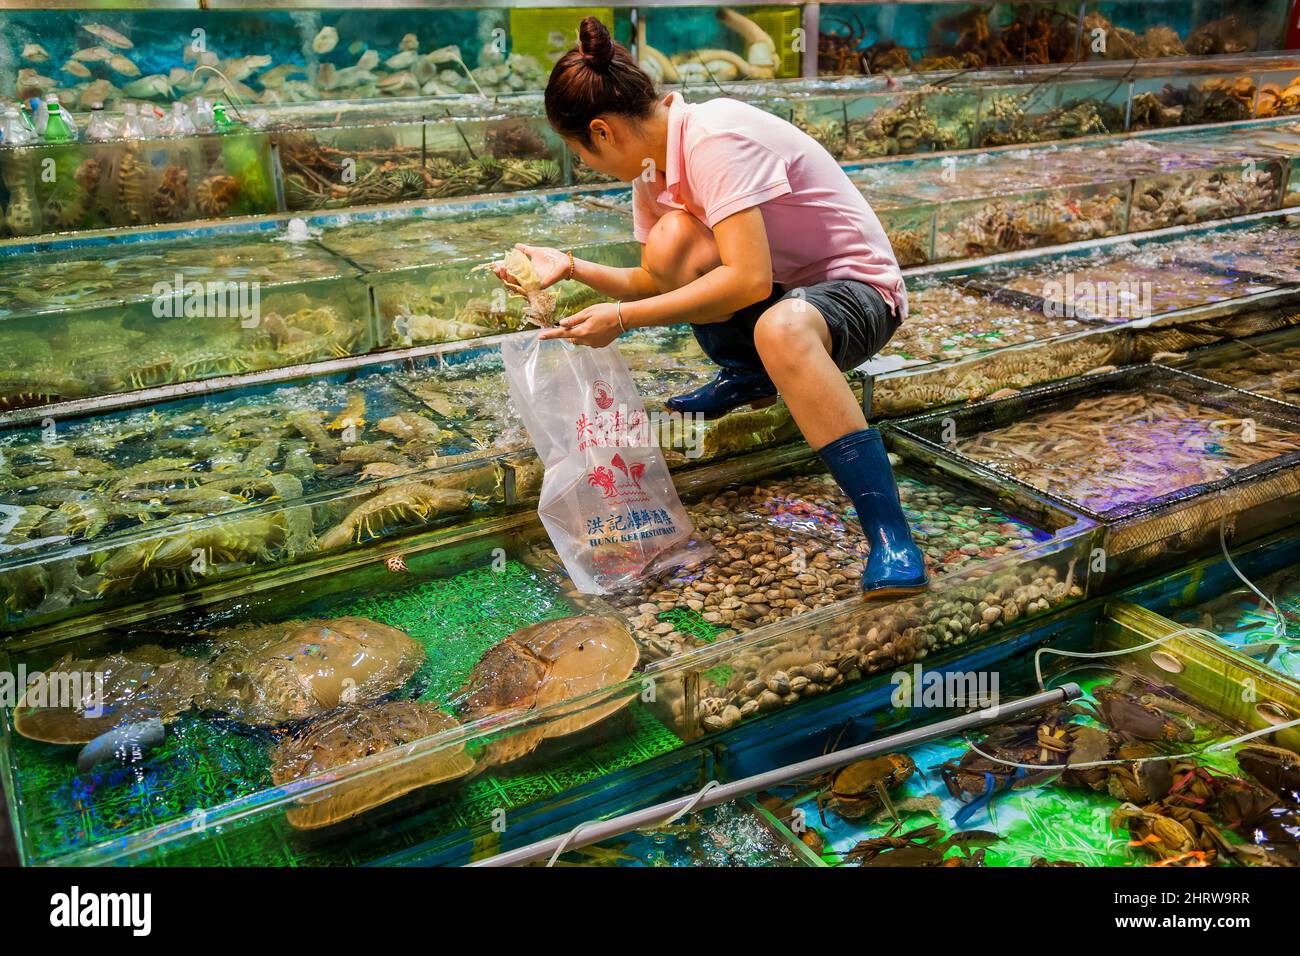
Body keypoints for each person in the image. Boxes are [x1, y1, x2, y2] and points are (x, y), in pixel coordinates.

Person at [505, 17, 926, 597]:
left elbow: (748, 282)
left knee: (778, 327)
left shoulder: (713, 136)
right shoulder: (654, 171)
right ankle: (750, 376)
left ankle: (892, 536)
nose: (589, 165)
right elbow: (655, 278)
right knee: (674, 239)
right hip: (787, 298)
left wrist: (621, 321)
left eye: (581, 151)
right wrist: (570, 266)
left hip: (857, 294)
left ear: (601, 132)